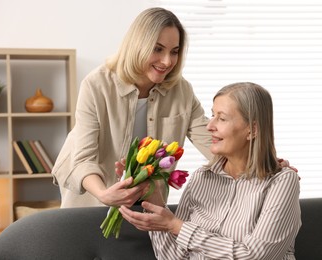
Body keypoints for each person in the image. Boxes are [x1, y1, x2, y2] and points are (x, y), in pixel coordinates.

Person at [51, 7, 213, 208]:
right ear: (138, 45)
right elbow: (83, 159)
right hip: (91, 195)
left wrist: (256, 164)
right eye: (157, 49)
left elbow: (212, 141)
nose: (167, 61)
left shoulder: (182, 91)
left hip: (145, 199)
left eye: (175, 52)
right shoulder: (96, 85)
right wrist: (104, 194)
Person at [119, 82, 302, 259]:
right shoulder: (202, 178)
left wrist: (177, 227)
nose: (209, 126)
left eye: (221, 119)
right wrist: (153, 198)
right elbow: (174, 257)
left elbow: (256, 256)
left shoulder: (282, 181)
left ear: (252, 130)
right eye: (212, 115)